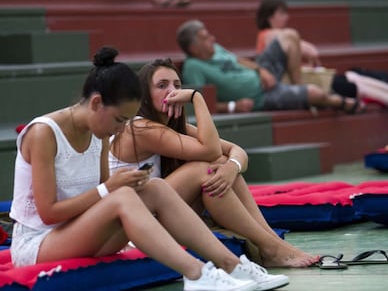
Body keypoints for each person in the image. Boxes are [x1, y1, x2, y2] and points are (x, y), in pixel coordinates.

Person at [9, 46, 290, 291]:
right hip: (39, 245)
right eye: (119, 119)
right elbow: (48, 213)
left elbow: (104, 200)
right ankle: (197, 274)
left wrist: (122, 186)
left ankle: (230, 265)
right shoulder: (44, 133)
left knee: (154, 186)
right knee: (123, 195)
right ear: (96, 103)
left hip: (82, 232)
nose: (122, 129)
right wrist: (111, 188)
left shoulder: (100, 132)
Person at [109, 58, 320, 270]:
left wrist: (232, 168)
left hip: (159, 211)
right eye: (162, 86)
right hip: (132, 224)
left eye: (177, 85)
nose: (172, 92)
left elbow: (237, 151)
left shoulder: (170, 128)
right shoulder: (140, 128)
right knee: (206, 169)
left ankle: (272, 242)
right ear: (144, 95)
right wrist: (196, 97)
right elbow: (210, 150)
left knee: (220, 165)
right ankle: (270, 247)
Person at [176, 19, 365, 114]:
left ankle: (297, 86)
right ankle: (337, 102)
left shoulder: (215, 48)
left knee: (290, 35)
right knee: (317, 94)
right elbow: (199, 104)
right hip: (260, 96)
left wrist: (261, 70)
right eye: (205, 38)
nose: (212, 39)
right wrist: (233, 106)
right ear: (193, 47)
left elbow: (239, 60)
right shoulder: (193, 67)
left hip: (261, 73)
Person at [256, 0, 388, 110]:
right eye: (282, 13)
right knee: (356, 86)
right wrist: (297, 44)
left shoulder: (274, 40)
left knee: (353, 77)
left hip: (314, 81)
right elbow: (310, 50)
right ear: (270, 17)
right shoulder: (269, 35)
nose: (287, 17)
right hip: (312, 87)